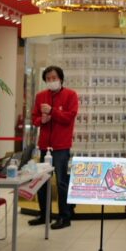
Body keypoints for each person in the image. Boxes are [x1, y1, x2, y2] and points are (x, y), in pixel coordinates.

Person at [29, 66, 79, 229]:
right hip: (44, 145)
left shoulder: (70, 95)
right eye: (48, 79)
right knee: (42, 180)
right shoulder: (40, 96)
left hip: (61, 146)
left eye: (54, 78)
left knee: (61, 181)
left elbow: (69, 117)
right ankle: (44, 214)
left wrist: (53, 111)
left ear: (61, 79)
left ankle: (65, 217)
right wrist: (41, 121)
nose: (51, 81)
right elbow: (34, 118)